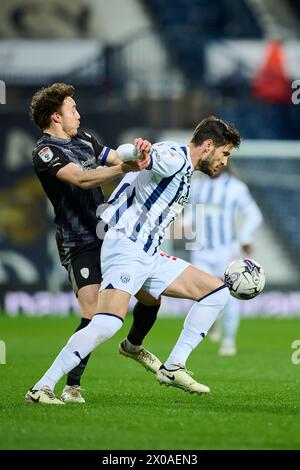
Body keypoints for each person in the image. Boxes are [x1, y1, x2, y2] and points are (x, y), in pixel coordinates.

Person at [25, 116, 241, 404]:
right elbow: (145, 156)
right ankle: (42, 387)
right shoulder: (174, 157)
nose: (225, 161)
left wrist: (137, 152)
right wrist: (140, 150)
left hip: (149, 253)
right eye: (224, 153)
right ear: (209, 145)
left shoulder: (183, 165)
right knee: (107, 323)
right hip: (126, 247)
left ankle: (173, 366)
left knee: (215, 292)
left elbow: (137, 159)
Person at [29, 82, 161, 404]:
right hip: (78, 242)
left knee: (151, 297)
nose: (78, 113)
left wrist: (140, 154)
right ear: (56, 117)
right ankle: (69, 387)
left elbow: (116, 156)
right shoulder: (46, 151)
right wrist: (122, 168)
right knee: (92, 311)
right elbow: (81, 178)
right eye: (72, 109)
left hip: (110, 237)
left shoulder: (85, 138)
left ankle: (132, 345)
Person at [187, 166, 263, 355]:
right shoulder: (196, 186)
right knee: (200, 295)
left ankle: (228, 341)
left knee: (231, 294)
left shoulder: (236, 187)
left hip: (226, 251)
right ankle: (208, 327)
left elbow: (254, 214)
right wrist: (182, 225)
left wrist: (245, 237)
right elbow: (190, 213)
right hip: (200, 251)